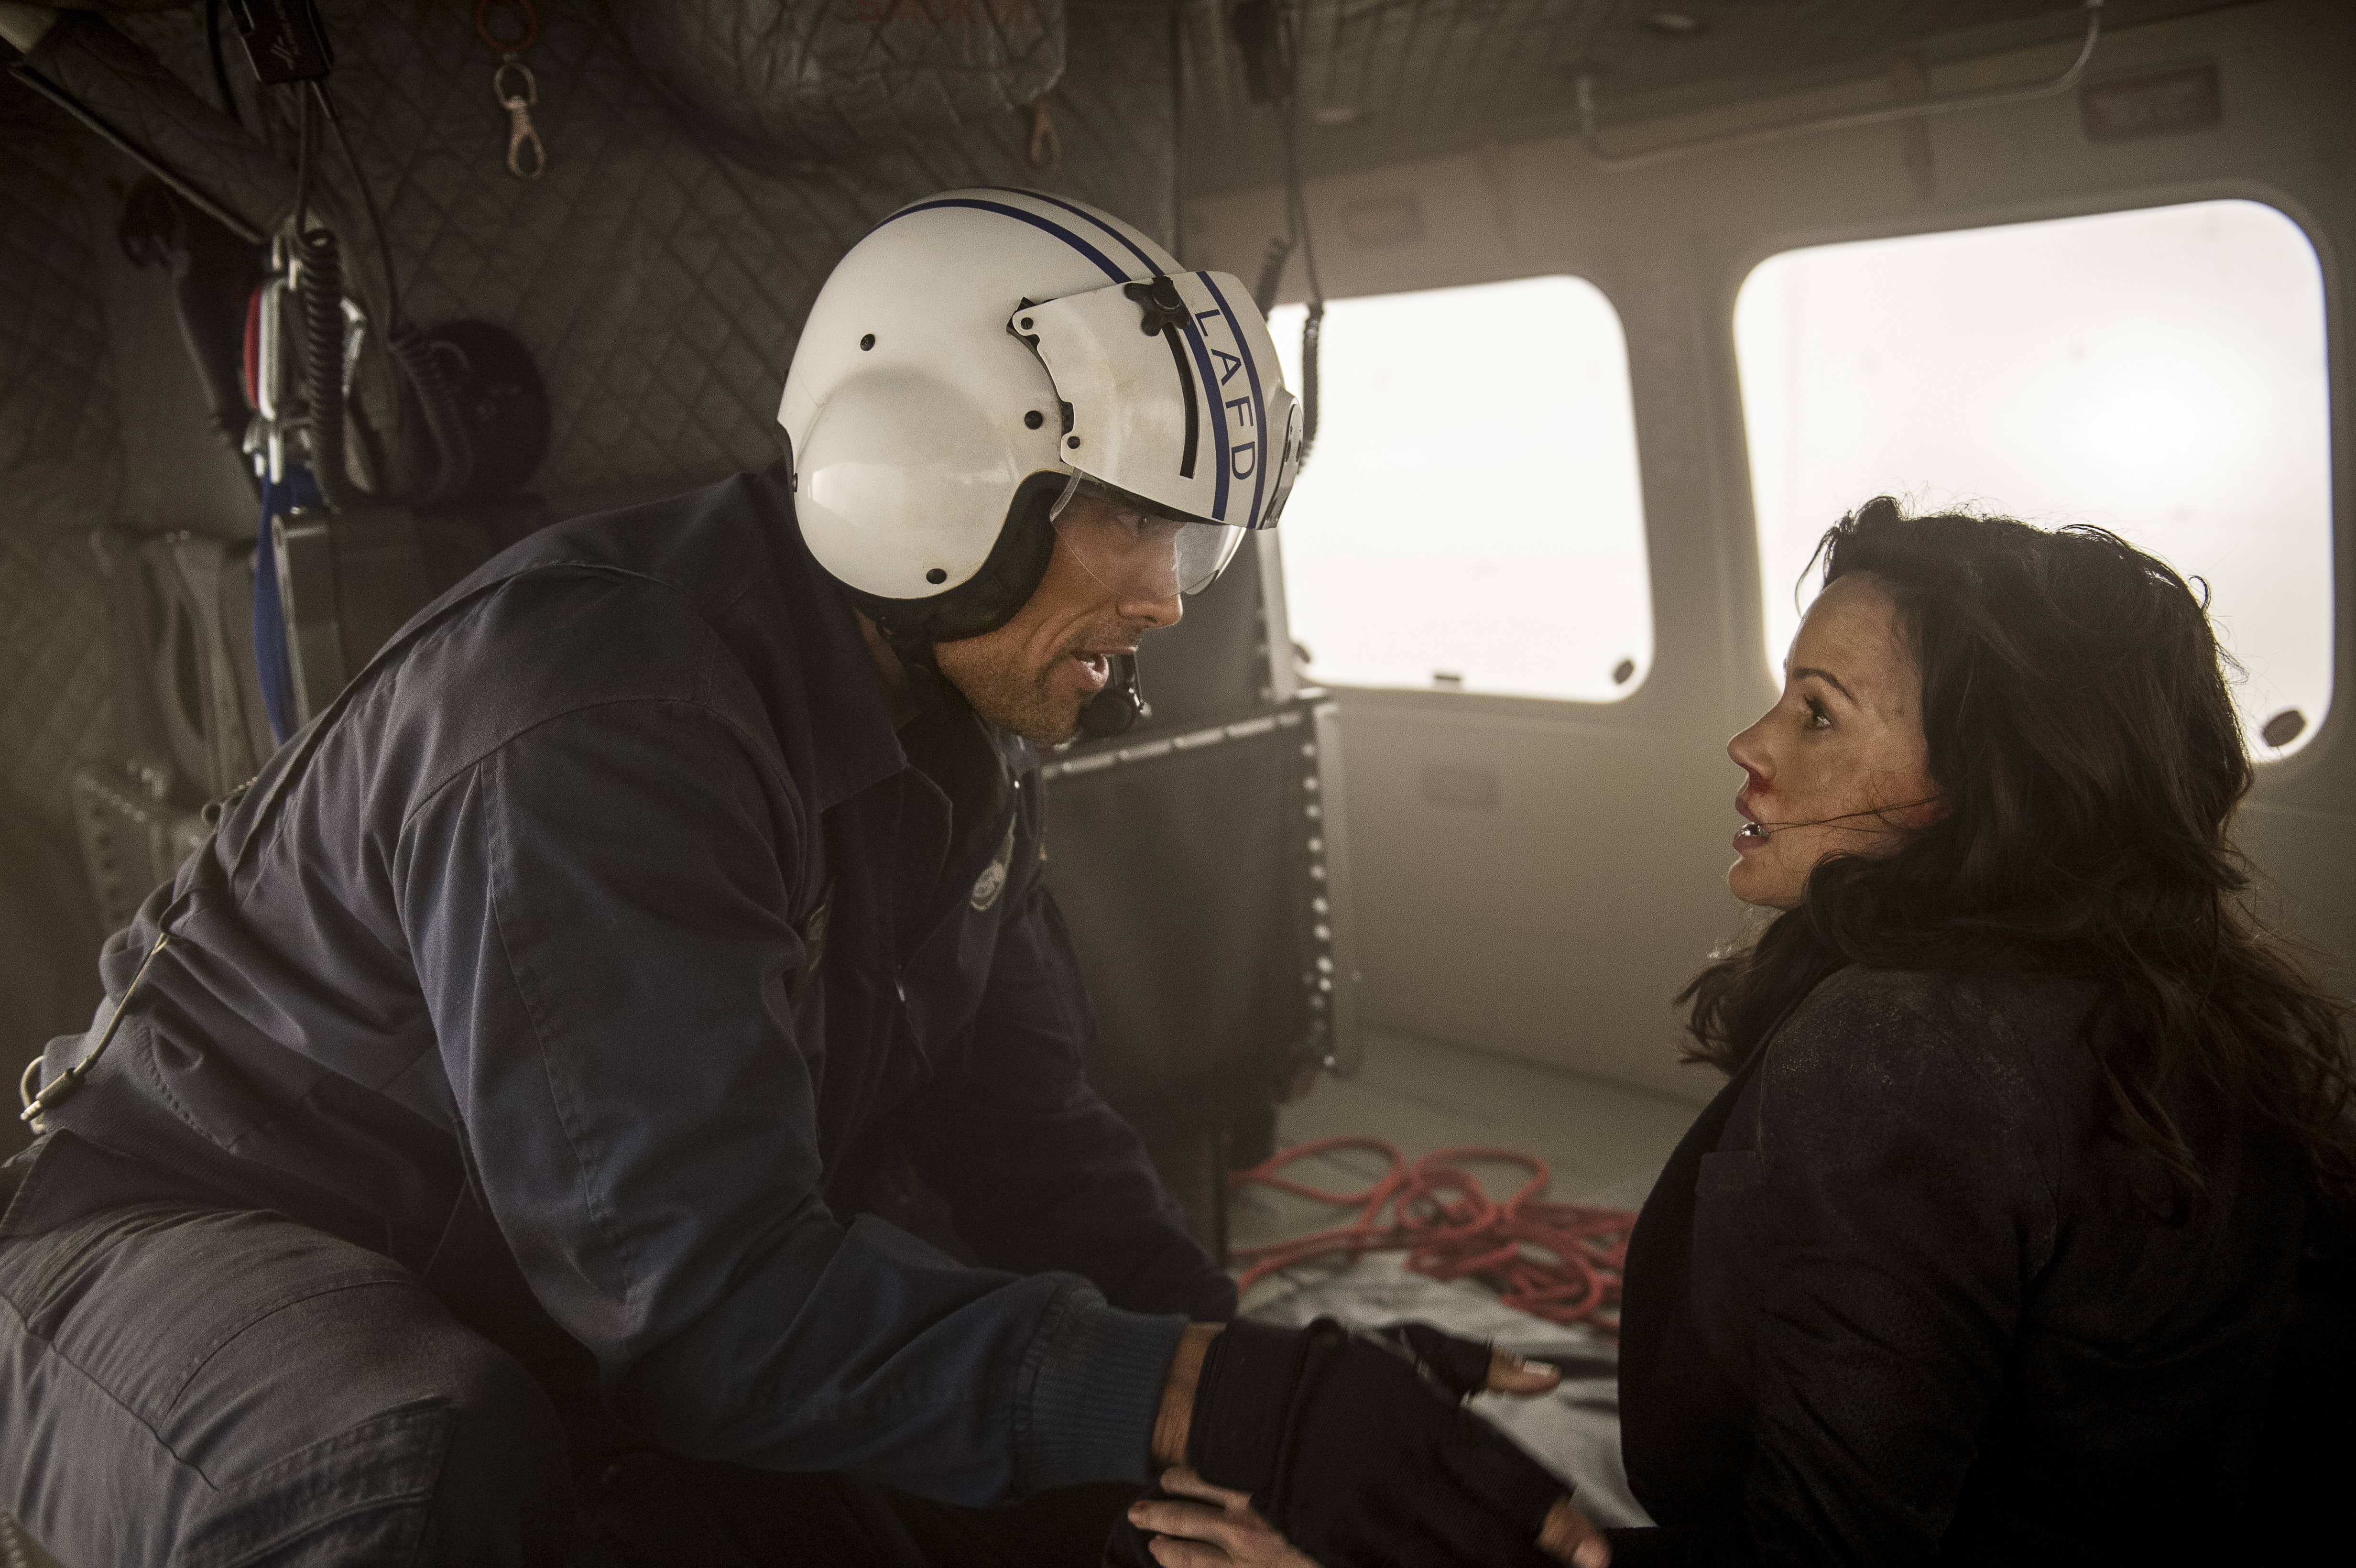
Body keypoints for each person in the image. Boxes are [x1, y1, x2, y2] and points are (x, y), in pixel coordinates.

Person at [0, 189, 1597, 1567]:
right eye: (1127, 517)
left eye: (1190, 536)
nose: (1167, 598)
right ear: (930, 480)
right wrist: (1217, 1401)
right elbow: (702, 1307)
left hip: (547, 1271)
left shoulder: (948, 747)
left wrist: (1259, 1406)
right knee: (414, 1473)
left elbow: (1034, 1153)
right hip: (190, 1237)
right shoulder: (601, 716)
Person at [1599, 498, 2355, 1565]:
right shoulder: (2186, 1001)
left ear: (1987, 783)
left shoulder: (1898, 1051)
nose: (1749, 745)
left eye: (1818, 714)